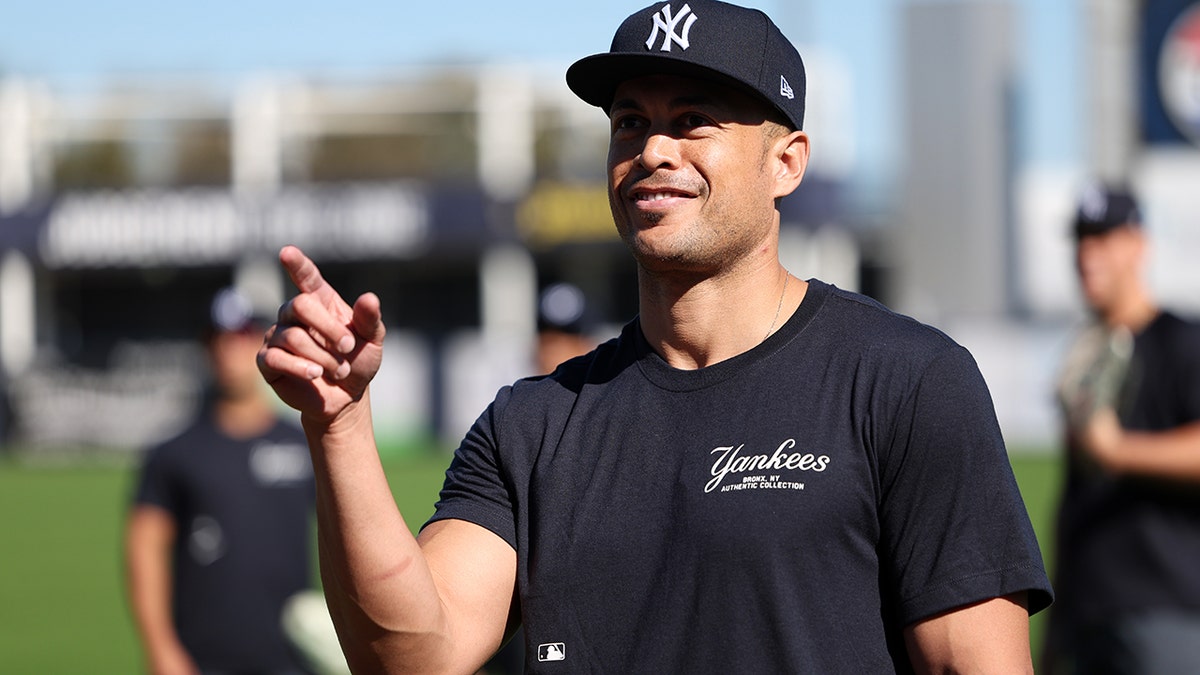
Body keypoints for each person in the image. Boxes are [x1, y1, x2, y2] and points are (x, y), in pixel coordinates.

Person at [256, 1, 1053, 672]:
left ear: (788, 163)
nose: (653, 151)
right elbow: (412, 655)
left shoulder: (906, 380)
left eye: (693, 121)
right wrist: (340, 424)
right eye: (631, 121)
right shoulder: (532, 425)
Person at [1042, 183, 1200, 674]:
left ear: (1139, 244)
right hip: (1089, 616)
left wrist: (1116, 451)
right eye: (1082, 240)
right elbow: (1075, 501)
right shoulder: (1085, 353)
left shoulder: (1180, 341)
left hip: (1164, 608)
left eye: (1104, 238)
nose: (1088, 255)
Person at [126, 287, 318, 675]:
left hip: (293, 658)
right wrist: (161, 650)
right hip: (202, 660)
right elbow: (144, 549)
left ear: (265, 343)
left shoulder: (303, 443)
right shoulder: (174, 452)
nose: (229, 351)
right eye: (218, 339)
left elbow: (348, 537)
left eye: (242, 336)